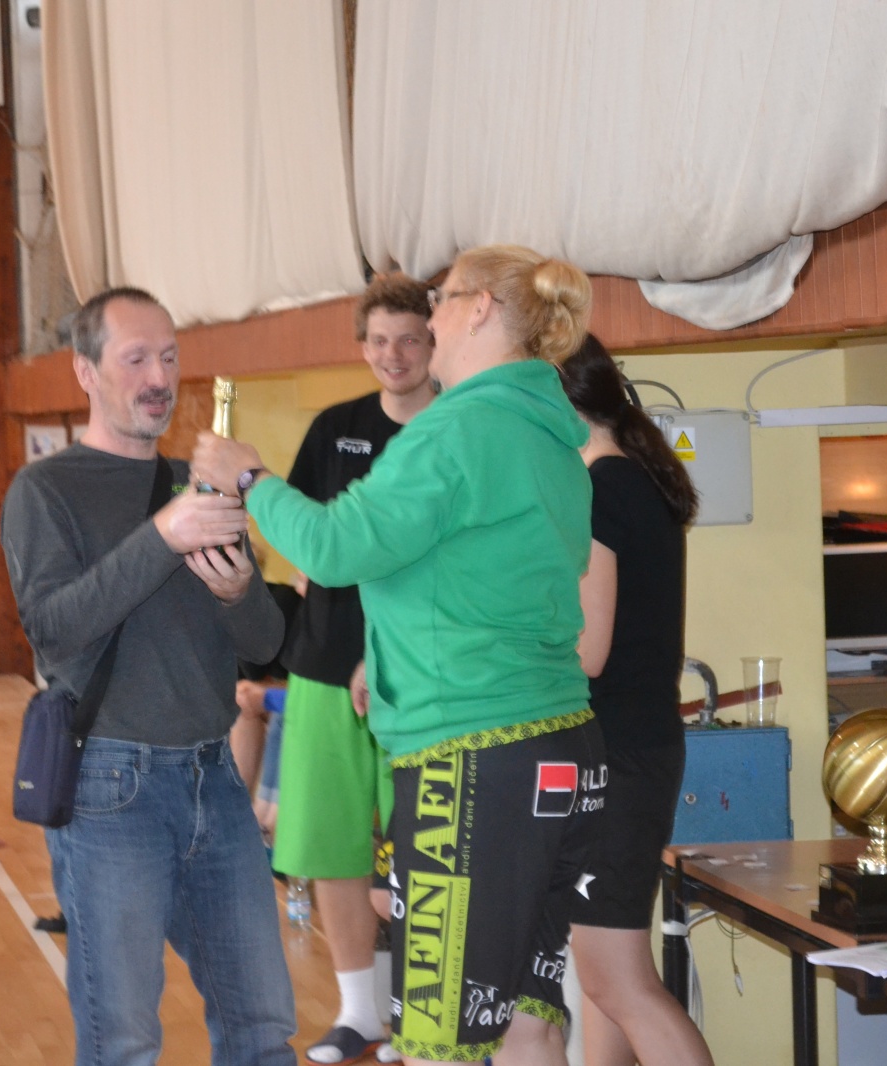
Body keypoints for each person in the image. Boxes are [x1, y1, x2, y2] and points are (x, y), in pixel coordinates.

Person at [193, 244, 604, 1066]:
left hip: (471, 760)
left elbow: (335, 547)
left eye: (442, 299)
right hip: (559, 752)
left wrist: (251, 480)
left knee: (436, 1042)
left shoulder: (454, 429)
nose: (430, 317)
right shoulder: (552, 436)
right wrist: (386, 657)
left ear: (480, 309)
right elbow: (480, 581)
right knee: (526, 1021)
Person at [0, 285, 294, 1066]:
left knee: (264, 1030)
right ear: (86, 372)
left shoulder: (196, 483)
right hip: (110, 790)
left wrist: (239, 591)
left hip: (215, 779)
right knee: (123, 1040)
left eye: (168, 357)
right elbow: (54, 630)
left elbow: (265, 642)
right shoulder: (45, 490)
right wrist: (164, 535)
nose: (158, 377)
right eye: (135, 359)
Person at [499, 336, 714, 1066]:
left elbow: (586, 651)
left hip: (617, 759)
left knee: (618, 984)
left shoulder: (600, 488)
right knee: (603, 985)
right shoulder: (624, 478)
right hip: (626, 752)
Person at [275, 272, 436, 1066]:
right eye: (378, 341)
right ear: (362, 348)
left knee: (428, 853)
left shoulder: (455, 430)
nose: (393, 355)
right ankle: (359, 1013)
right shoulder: (334, 427)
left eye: (408, 339)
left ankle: (422, 1013)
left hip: (426, 678)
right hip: (323, 669)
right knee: (333, 846)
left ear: (435, 342)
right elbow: (299, 534)